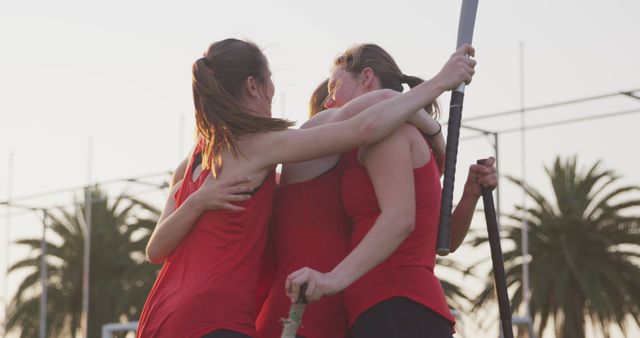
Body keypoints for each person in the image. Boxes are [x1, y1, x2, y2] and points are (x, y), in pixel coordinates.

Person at [137, 38, 477, 338]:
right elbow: (368, 119)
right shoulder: (265, 146)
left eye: (333, 90)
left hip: (162, 315)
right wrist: (438, 110)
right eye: (271, 80)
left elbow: (155, 251)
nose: (329, 104)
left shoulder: (197, 158)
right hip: (242, 318)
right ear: (253, 86)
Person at [286, 43, 495, 338]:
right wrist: (469, 196)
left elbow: (401, 220)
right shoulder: (406, 141)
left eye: (334, 87)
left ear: (366, 77)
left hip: (395, 305)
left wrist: (333, 279)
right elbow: (443, 241)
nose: (329, 101)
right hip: (389, 306)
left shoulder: (388, 135)